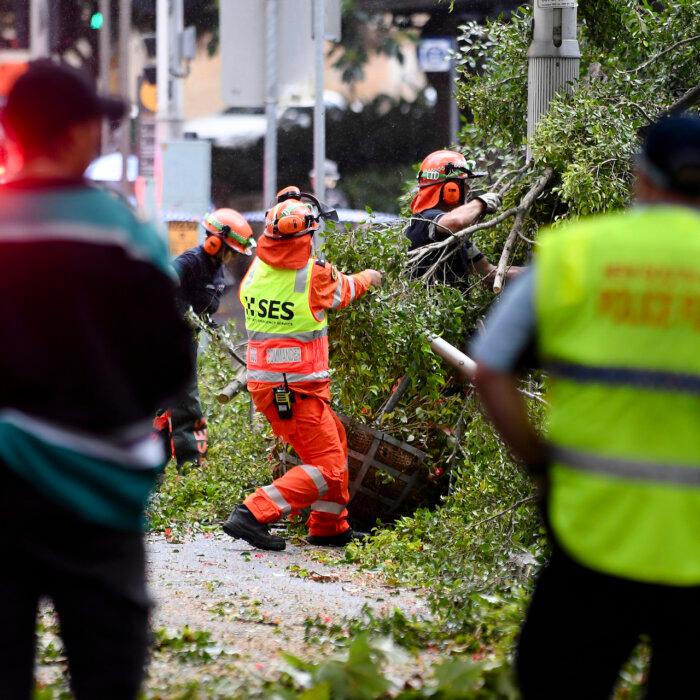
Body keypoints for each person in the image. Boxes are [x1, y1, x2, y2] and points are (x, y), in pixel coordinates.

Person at [471, 115, 700, 699]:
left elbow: (491, 367)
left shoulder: (577, 255)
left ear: (639, 177)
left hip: (593, 532)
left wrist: (537, 462)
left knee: (558, 683)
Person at [0, 60, 193, 699]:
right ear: (79, 134)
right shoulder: (123, 234)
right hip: (98, 494)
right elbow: (168, 362)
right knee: (106, 672)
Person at [222, 187, 382, 550]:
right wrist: (372, 277)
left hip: (271, 386)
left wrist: (289, 202)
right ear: (305, 238)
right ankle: (252, 512)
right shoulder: (314, 277)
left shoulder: (257, 271)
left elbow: (284, 234)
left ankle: (329, 526)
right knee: (326, 467)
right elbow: (348, 289)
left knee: (333, 445)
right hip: (296, 390)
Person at [157, 209, 255, 466]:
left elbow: (205, 306)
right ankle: (191, 463)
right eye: (232, 250)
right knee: (186, 402)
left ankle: (163, 456)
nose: (234, 256)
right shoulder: (190, 262)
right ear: (215, 242)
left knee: (168, 401)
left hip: (187, 341)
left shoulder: (219, 273)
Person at [406, 149, 522, 287]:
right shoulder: (424, 221)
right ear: (451, 189)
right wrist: (481, 202)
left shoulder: (455, 236)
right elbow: (456, 221)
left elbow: (488, 273)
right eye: (464, 183)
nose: (468, 188)